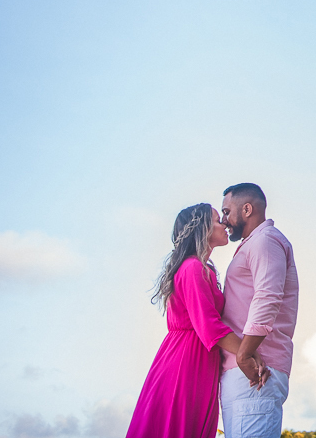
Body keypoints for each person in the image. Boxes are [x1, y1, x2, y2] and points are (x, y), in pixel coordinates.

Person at [125, 203, 269, 438]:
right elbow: (210, 326)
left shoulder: (204, 270)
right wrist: (249, 352)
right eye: (215, 219)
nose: (223, 222)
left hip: (199, 358)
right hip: (184, 362)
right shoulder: (192, 268)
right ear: (201, 229)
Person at [219, 183, 299, 438]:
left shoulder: (265, 241)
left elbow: (268, 297)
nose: (224, 220)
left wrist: (244, 355)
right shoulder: (254, 243)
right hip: (243, 371)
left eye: (226, 211)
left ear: (247, 209)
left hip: (255, 371)